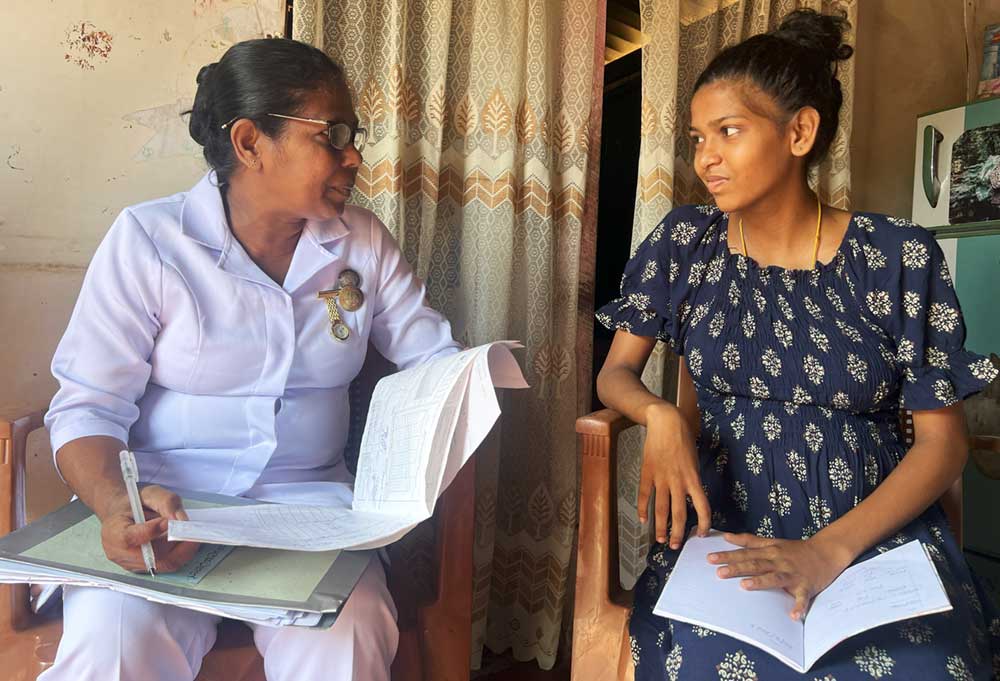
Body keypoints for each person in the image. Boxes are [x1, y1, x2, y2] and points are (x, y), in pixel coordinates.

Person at [596, 9, 1000, 680]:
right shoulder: (686, 243)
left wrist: (826, 551)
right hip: (729, 529)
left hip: (873, 531)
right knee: (710, 661)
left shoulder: (895, 255)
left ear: (800, 131)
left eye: (728, 132)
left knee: (926, 663)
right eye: (699, 137)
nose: (705, 157)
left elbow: (944, 442)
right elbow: (616, 375)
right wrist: (659, 414)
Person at [40, 38, 460, 681]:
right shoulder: (151, 242)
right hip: (167, 511)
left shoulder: (362, 242)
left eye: (355, 134)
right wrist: (113, 504)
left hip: (308, 513)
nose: (354, 155)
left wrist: (464, 392)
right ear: (249, 142)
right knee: (113, 644)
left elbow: (432, 359)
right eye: (334, 134)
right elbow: (87, 405)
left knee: (346, 635)